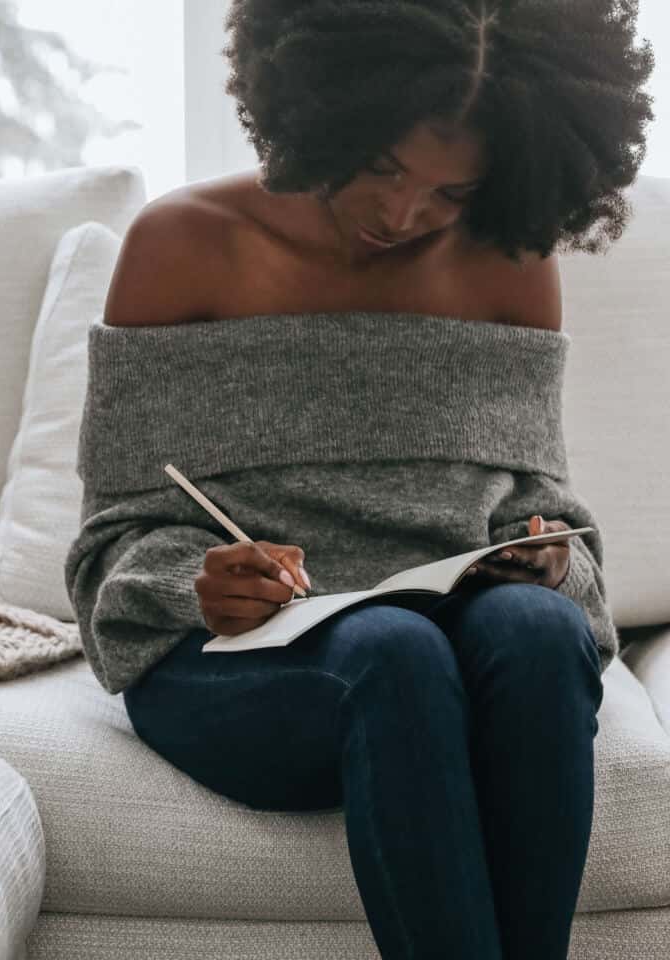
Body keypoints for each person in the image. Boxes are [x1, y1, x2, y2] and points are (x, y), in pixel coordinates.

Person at [62, 2, 654, 959]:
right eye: (381, 166)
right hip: (242, 667)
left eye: (451, 193)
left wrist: (546, 562)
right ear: (319, 107)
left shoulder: (509, 265)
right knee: (391, 648)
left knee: (538, 630)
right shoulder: (186, 245)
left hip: (454, 642)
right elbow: (113, 543)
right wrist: (198, 583)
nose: (402, 213)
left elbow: (545, 515)